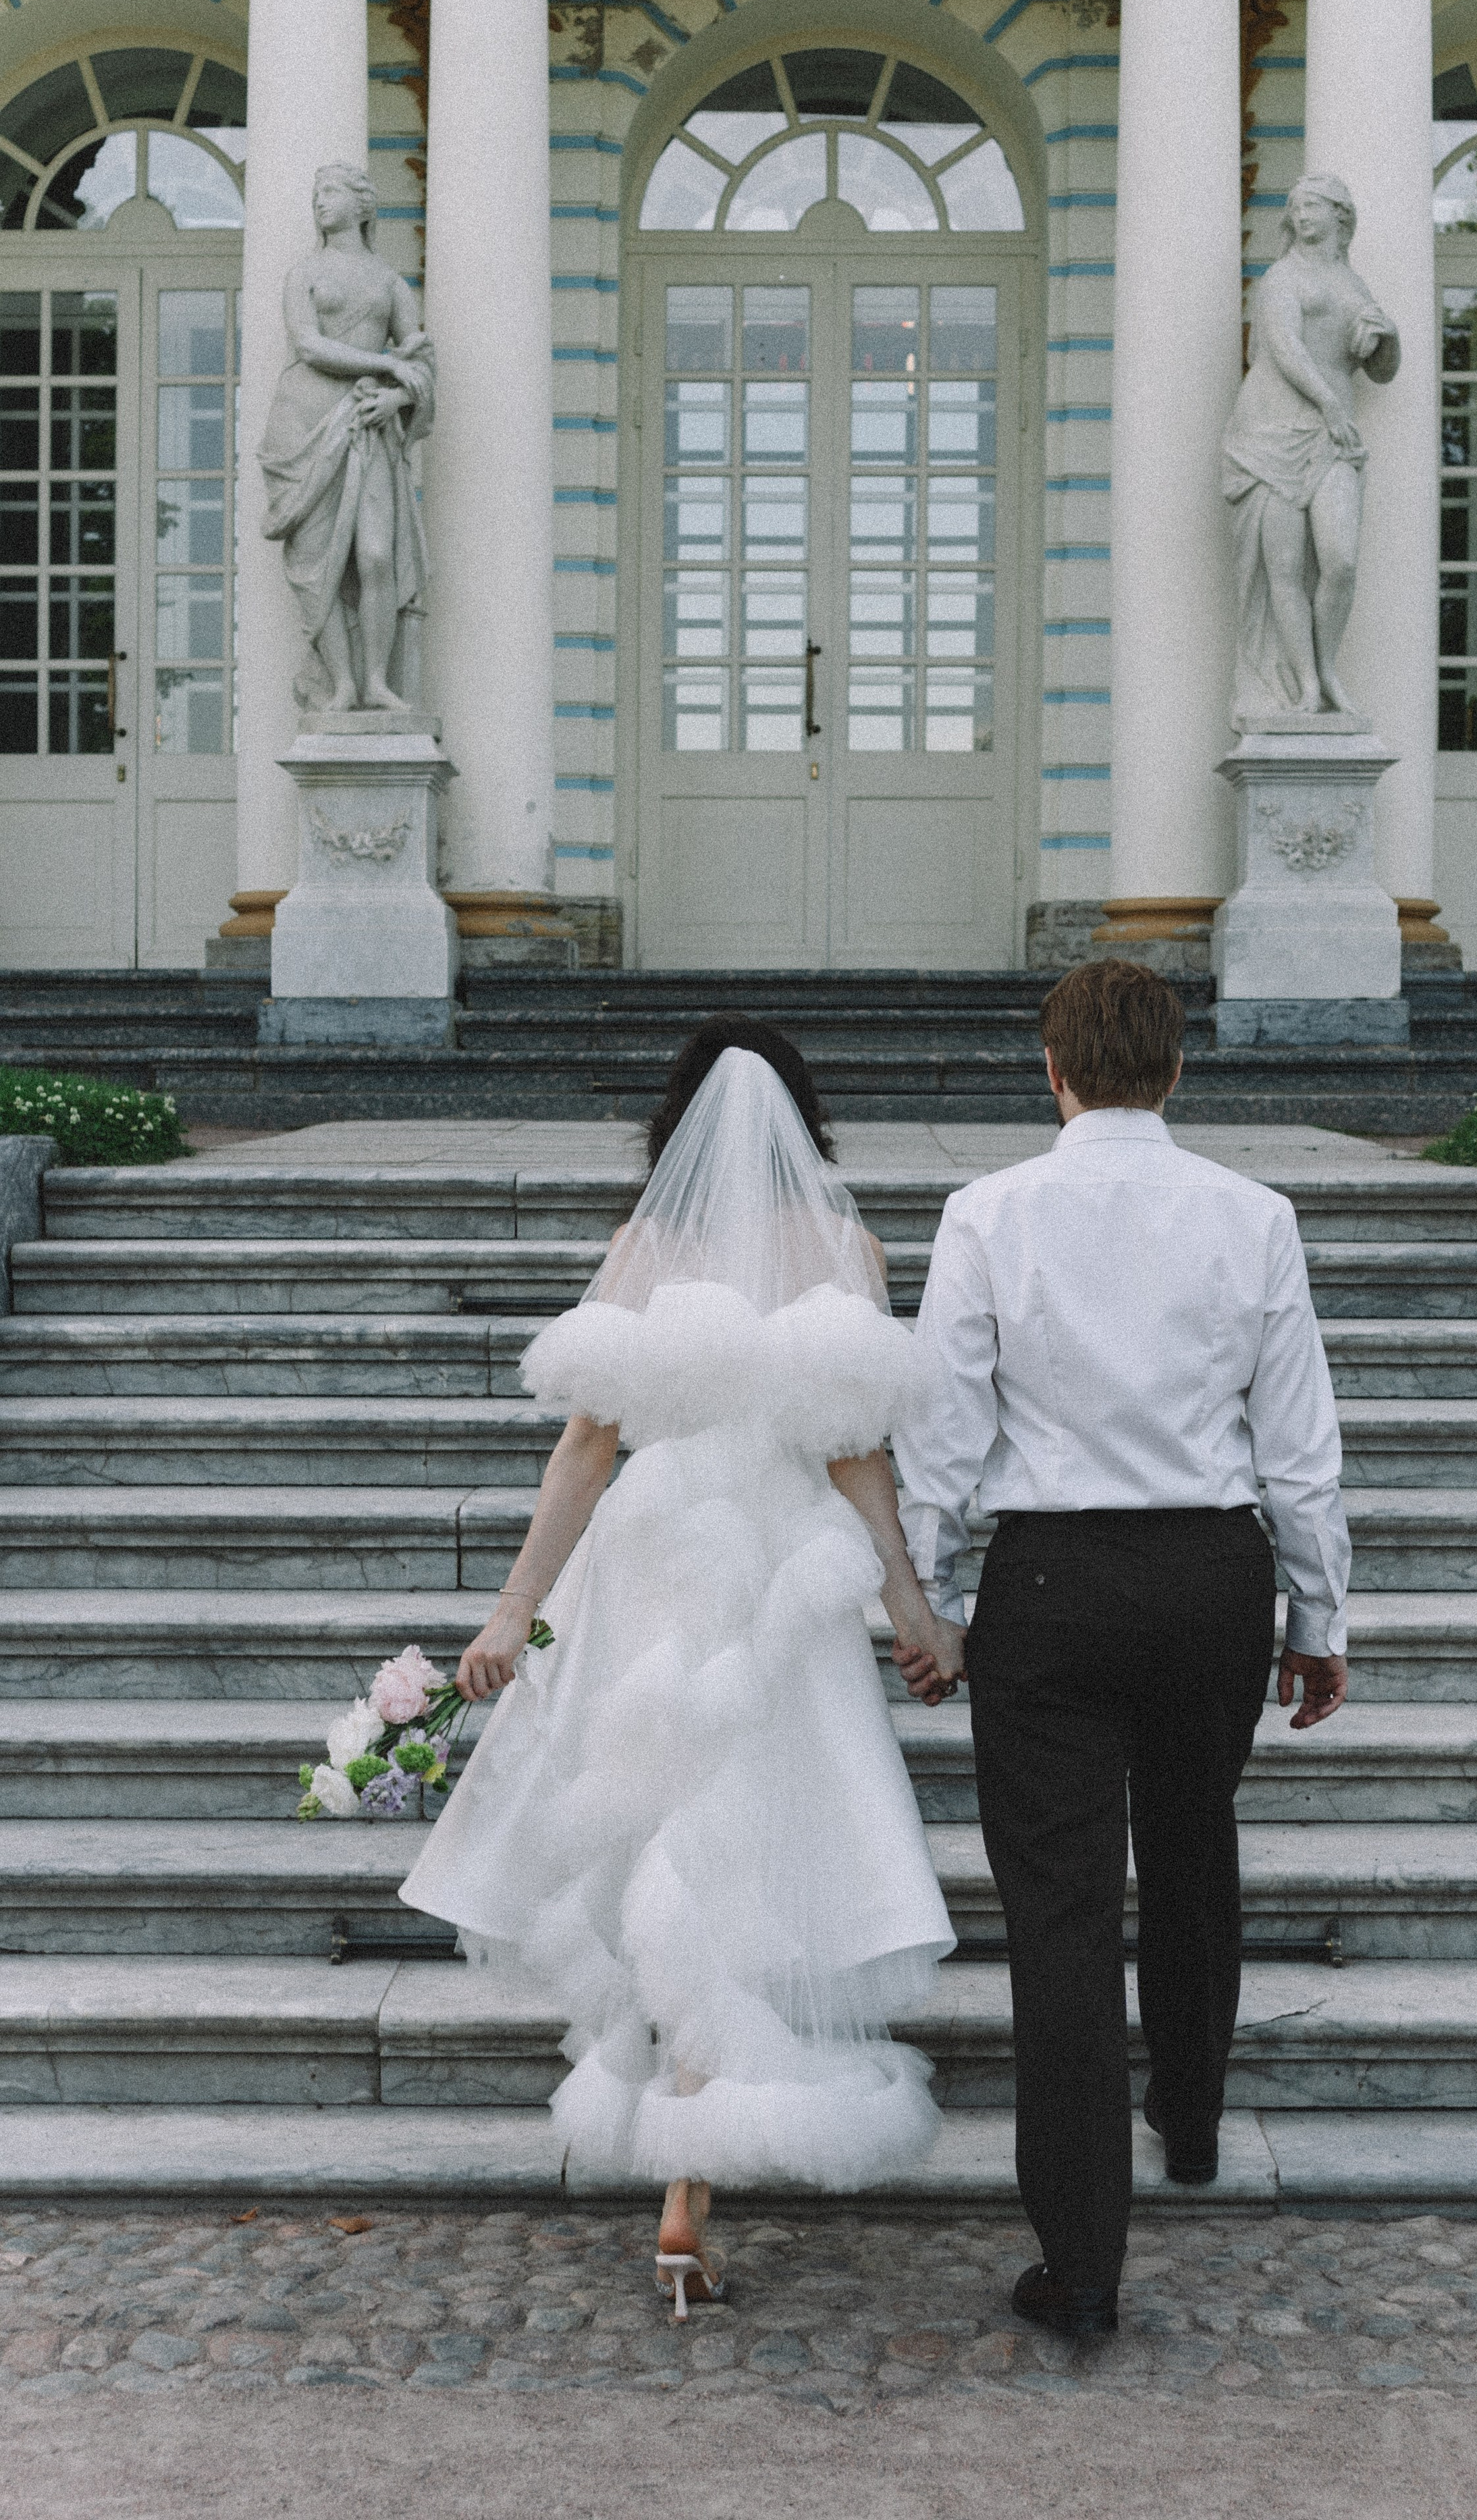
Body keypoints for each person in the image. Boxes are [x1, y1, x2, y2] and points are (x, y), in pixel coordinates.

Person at [400, 1016, 962, 2316]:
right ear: (806, 1126)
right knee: (752, 1853)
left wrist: (512, 1613)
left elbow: (586, 1452)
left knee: (667, 1847)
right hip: (778, 1582)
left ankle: (682, 2183)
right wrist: (913, 1613)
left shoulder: (644, 1249)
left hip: (654, 1572)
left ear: (674, 1128)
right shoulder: (846, 1248)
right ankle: (690, 2182)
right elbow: (859, 1459)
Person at [892, 960, 1350, 2339]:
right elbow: (1298, 1445)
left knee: (1062, 1911)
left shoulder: (986, 1215)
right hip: (1213, 1572)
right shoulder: (1252, 1216)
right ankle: (1191, 2120)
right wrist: (1316, 1619)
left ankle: (1081, 2261)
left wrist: (926, 1602)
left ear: (1052, 1070)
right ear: (1174, 1069)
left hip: (1053, 1579)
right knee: (1194, 1843)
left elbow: (941, 1434)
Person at [1220, 169, 1399, 720]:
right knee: (1285, 568)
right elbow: (1284, 348)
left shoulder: (1355, 286)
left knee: (1340, 561)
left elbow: (1382, 372)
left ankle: (1326, 667)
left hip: (1331, 435)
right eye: (1295, 208)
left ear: (1339, 217)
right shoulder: (1281, 278)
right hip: (1271, 432)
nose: (1301, 217)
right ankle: (1307, 686)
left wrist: (1388, 337)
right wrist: (1330, 405)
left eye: (1313, 207)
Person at [259, 161, 435, 714]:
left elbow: (422, 361)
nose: (321, 202)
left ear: (363, 206)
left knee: (377, 556)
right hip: (304, 422)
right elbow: (309, 346)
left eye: (332, 192)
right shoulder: (303, 273)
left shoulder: (388, 281)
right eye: (317, 193)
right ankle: (342, 684)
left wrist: (397, 397)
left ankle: (378, 681)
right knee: (318, 565)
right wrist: (384, 365)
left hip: (367, 424)